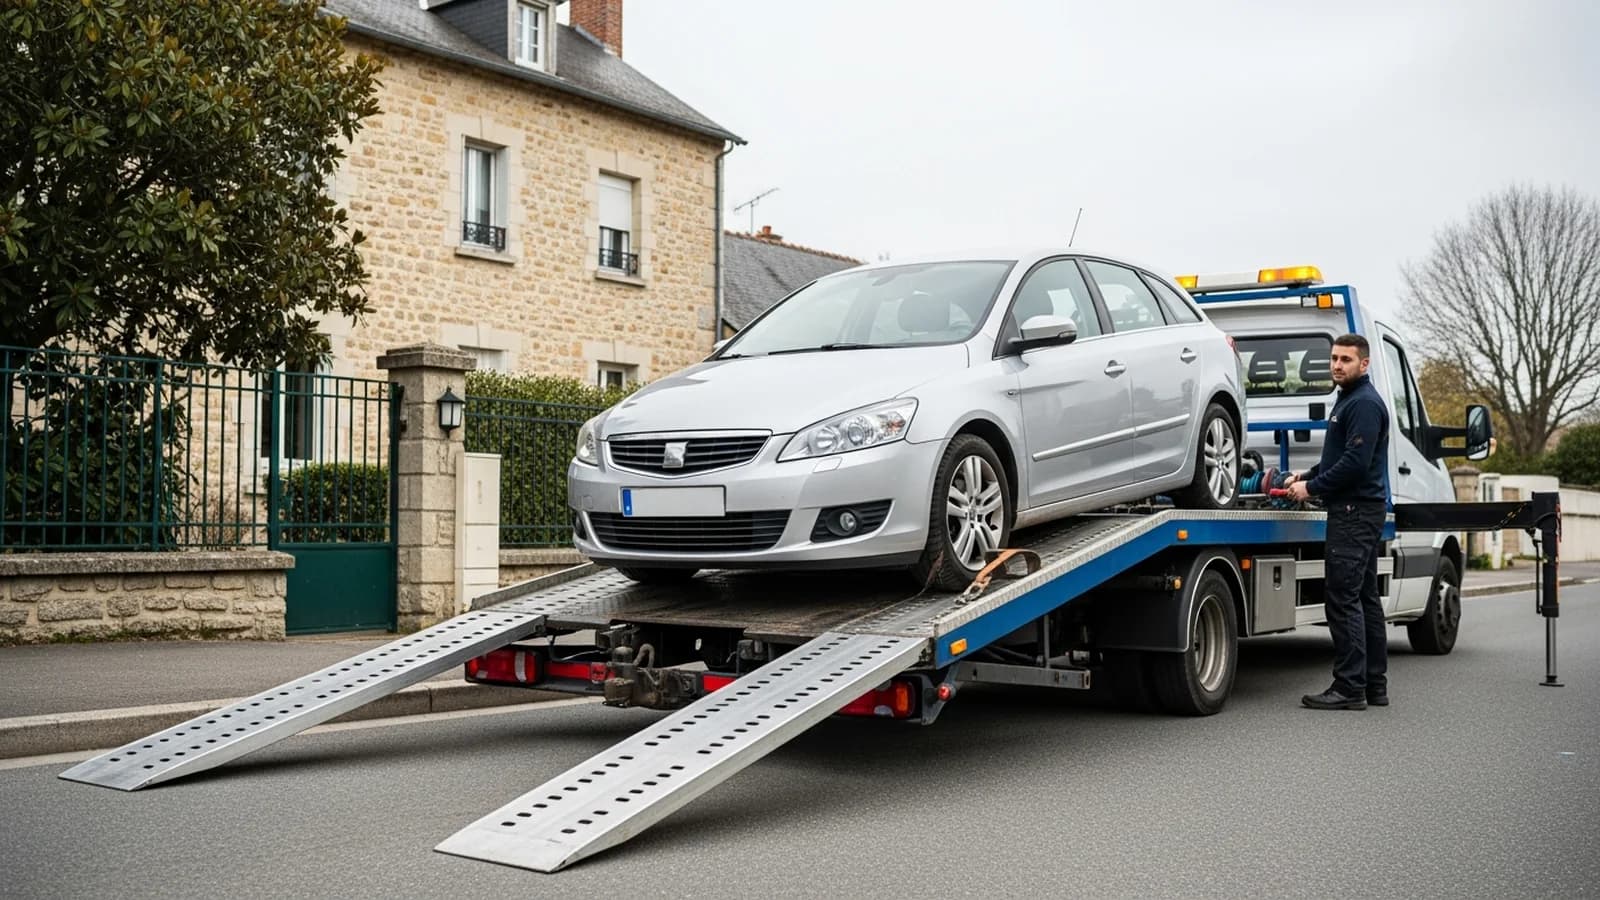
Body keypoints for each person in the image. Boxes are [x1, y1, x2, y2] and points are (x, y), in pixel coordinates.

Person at [1284, 333, 1391, 710]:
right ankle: (1373, 685)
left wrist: (1311, 488)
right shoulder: (1348, 401)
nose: (1337, 365)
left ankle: (1349, 689)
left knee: (1343, 600)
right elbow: (1340, 459)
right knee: (1364, 598)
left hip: (1353, 512)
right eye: (1333, 358)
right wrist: (1306, 475)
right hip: (1358, 510)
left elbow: (1356, 465)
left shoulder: (1362, 404)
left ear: (1364, 364)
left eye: (1346, 359)